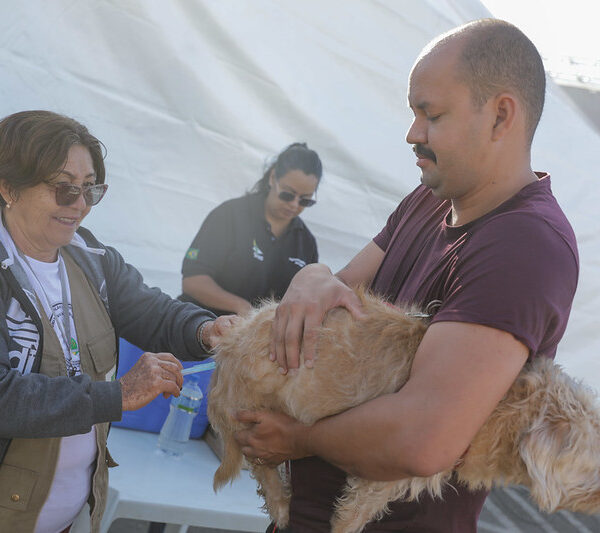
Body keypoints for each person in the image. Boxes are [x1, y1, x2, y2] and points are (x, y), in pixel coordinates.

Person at [234, 19, 579, 532]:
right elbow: (340, 298)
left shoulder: (525, 246)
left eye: (430, 114)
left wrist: (298, 438)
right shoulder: (429, 199)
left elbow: (423, 440)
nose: (412, 133)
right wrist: (312, 275)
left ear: (501, 115)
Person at [0, 110, 232, 533]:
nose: (80, 205)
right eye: (64, 189)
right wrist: (116, 395)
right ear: (8, 186)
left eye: (90, 190)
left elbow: (151, 310)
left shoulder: (91, 258)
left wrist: (206, 330)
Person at [178, 143, 322, 315]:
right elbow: (193, 280)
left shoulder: (306, 243)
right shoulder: (230, 215)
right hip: (203, 326)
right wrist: (242, 308)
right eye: (288, 194)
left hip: (257, 338)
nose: (294, 204)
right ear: (272, 178)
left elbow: (305, 300)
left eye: (305, 200)